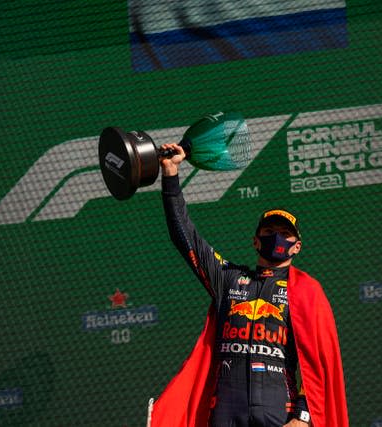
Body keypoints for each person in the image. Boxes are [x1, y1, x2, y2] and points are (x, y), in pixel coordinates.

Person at [149, 143, 349, 427]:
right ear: (255, 241)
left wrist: (302, 417)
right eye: (269, 232)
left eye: (284, 234)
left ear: (297, 247)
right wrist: (170, 174)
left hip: (279, 410)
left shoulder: (307, 292)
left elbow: (318, 365)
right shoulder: (229, 278)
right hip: (226, 410)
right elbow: (186, 238)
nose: (276, 238)